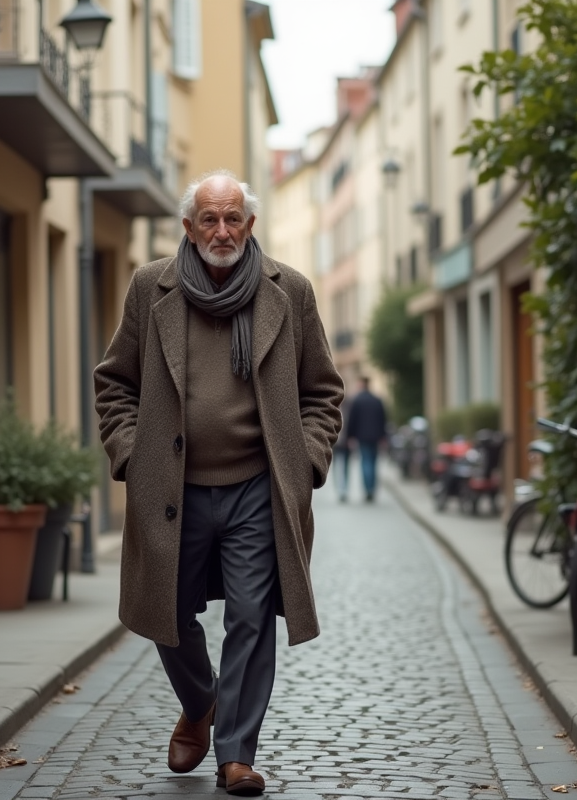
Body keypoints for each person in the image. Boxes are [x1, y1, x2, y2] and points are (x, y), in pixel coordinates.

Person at [94, 169, 343, 796]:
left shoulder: (291, 292)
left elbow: (322, 392)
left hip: (258, 487)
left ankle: (235, 753)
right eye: (210, 218)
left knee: (252, 617)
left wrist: (306, 462)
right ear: (189, 226)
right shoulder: (152, 287)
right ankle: (201, 704)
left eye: (234, 218)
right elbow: (115, 382)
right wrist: (131, 454)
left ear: (251, 224)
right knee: (167, 613)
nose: (223, 230)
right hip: (172, 488)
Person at [344, 376, 388, 502]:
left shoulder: (357, 401)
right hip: (376, 436)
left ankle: (368, 489)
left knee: (365, 462)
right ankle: (372, 489)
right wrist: (383, 436)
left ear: (361, 384)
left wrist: (350, 436)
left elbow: (352, 420)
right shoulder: (377, 400)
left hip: (361, 436)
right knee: (373, 463)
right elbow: (383, 419)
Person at [332, 399, 351, 502]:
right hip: (336, 444)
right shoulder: (331, 409)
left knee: (345, 467)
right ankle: (340, 489)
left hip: (344, 443)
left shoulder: (348, 407)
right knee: (338, 466)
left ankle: (343, 489)